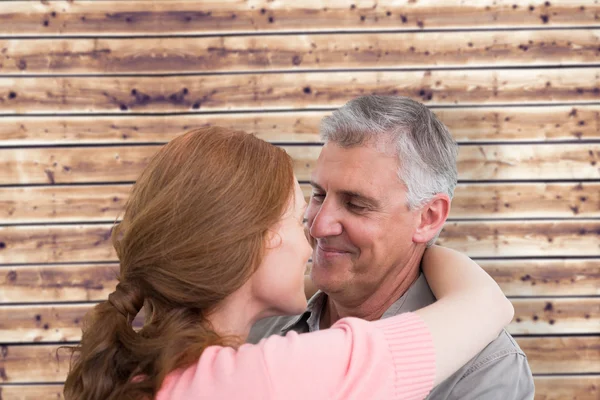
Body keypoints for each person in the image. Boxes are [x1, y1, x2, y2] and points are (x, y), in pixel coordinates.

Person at [63, 127, 514, 400]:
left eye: (356, 204)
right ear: (259, 241)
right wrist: (428, 246)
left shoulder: (136, 376)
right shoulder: (272, 373)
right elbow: (485, 304)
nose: (315, 232)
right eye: (304, 211)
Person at [249, 96, 535, 399]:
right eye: (318, 195)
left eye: (356, 205)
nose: (318, 227)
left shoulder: (484, 371)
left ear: (428, 217)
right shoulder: (258, 325)